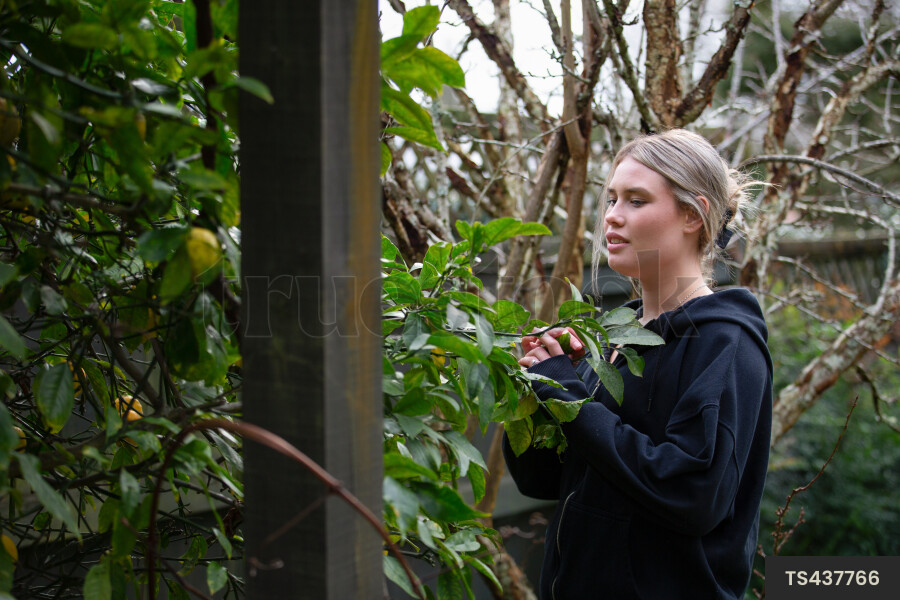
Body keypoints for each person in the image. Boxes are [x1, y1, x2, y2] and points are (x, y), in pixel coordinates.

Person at [504, 129, 773, 599]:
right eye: (610, 200)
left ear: (692, 214)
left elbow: (694, 494)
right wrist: (535, 388)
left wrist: (571, 398)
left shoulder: (725, 345)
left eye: (636, 200)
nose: (612, 217)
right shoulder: (610, 339)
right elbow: (541, 479)